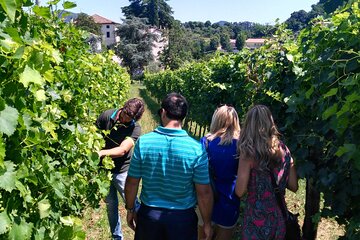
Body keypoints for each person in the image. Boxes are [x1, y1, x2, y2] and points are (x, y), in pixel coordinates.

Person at [124, 92, 213, 240]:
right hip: (182, 220)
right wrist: (207, 223)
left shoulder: (144, 142)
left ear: (163, 112)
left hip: (149, 216)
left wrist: (130, 208)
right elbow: (204, 193)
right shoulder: (196, 149)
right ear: (184, 116)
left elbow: (132, 182)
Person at [235, 105, 298, 240]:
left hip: (256, 220)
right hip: (278, 218)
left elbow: (240, 191)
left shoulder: (248, 154)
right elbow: (294, 186)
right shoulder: (284, 149)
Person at [95, 98, 145, 240]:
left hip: (122, 170)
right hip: (103, 171)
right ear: (122, 108)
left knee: (133, 204)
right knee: (111, 206)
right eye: (124, 115)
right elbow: (93, 136)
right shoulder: (106, 116)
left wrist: (100, 153)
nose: (124, 120)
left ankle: (144, 233)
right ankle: (117, 237)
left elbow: (123, 150)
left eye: (129, 119)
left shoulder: (135, 128)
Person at [198, 104, 241, 240]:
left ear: (216, 120)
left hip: (205, 203)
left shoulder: (205, 142)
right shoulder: (240, 146)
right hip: (229, 204)